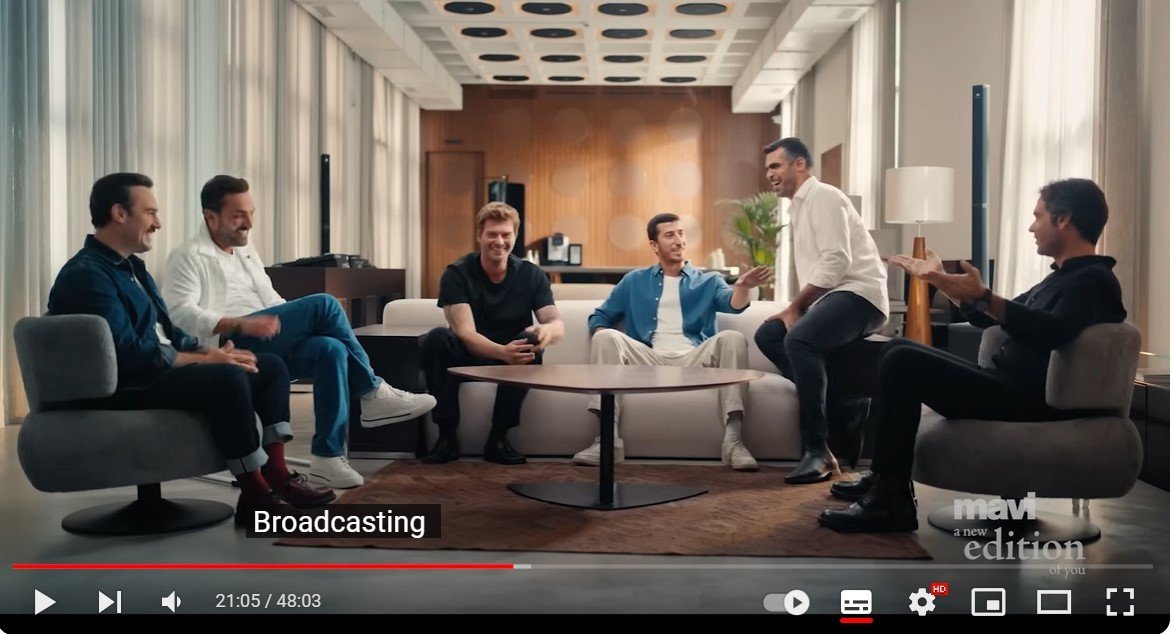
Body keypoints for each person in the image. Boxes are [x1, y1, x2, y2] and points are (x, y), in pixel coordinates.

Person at [819, 178, 1127, 533]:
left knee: (903, 361)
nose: (1031, 227)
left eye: (1038, 216)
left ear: (1063, 219)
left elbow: (1052, 330)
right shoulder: (1060, 279)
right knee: (898, 348)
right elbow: (989, 316)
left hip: (1032, 400)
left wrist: (985, 296)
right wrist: (941, 280)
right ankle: (884, 479)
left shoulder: (1094, 280)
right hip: (1009, 385)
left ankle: (891, 500)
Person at [48, 173, 335, 525]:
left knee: (268, 366)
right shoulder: (88, 275)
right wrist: (206, 359)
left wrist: (211, 352)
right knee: (227, 378)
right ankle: (255, 493)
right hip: (127, 384)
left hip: (155, 370)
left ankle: (275, 475)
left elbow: (170, 332)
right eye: (150, 212)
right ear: (119, 213)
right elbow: (125, 354)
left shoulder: (132, 268)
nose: (158, 223)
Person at [163, 175, 436, 490]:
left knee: (330, 349)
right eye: (238, 215)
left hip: (264, 339)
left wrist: (295, 325)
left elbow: (272, 301)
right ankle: (372, 392)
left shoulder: (246, 251)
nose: (248, 223)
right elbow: (179, 315)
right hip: (228, 344)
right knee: (325, 304)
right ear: (210, 217)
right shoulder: (187, 256)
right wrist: (240, 323)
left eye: (251, 213)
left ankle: (327, 458)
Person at [574, 213, 771, 470]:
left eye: (681, 233)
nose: (679, 241)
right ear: (654, 245)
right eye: (669, 235)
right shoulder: (634, 281)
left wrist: (742, 287)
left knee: (733, 338)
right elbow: (600, 316)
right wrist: (604, 338)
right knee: (605, 336)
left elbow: (733, 305)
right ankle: (608, 442)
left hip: (694, 360)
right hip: (647, 361)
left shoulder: (709, 280)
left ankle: (733, 442)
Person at [753, 138, 890, 484]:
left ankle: (816, 450)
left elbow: (837, 260)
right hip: (832, 299)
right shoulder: (797, 208)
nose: (769, 174)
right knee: (768, 335)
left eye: (775, 165)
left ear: (799, 164)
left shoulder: (825, 196)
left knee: (798, 339)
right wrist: (800, 309)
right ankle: (844, 402)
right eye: (767, 168)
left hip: (860, 295)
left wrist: (796, 307)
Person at [420, 202, 565, 465]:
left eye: (506, 234)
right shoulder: (457, 274)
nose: (499, 241)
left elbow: (555, 322)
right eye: (492, 234)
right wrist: (501, 352)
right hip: (469, 353)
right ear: (479, 235)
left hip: (512, 357)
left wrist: (547, 332)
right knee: (437, 338)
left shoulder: (531, 275)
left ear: (515, 236)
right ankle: (447, 438)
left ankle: (498, 439)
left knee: (531, 345)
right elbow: (465, 333)